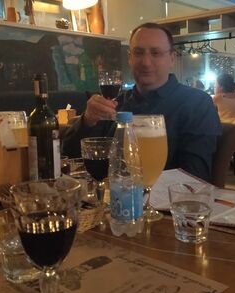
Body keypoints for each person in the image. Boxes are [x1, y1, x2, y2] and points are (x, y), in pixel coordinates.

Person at [62, 22, 221, 182]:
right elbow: (69, 157)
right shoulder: (116, 103)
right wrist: (87, 120)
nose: (146, 62)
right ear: (130, 58)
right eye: (138, 53)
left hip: (161, 197)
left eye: (156, 53)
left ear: (172, 59)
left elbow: (194, 176)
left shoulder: (197, 103)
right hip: (108, 195)